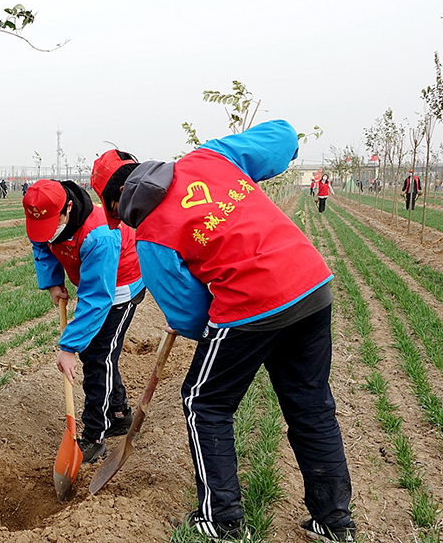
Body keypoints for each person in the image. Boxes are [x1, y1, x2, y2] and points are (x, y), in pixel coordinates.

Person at [100, 120, 355, 542]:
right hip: (311, 283)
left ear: (124, 209)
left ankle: (221, 519)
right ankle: (333, 520)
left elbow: (191, 317)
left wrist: (221, 328)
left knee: (205, 401)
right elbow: (283, 138)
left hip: (251, 304)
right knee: (311, 404)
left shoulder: (151, 237)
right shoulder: (209, 158)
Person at [22, 164, 146, 462]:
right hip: (97, 286)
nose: (46, 233)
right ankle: (118, 412)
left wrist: (68, 347)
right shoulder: (42, 213)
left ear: (67, 208)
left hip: (119, 288)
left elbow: (96, 298)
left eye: (53, 225)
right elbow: (41, 245)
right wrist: (53, 282)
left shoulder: (101, 234)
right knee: (102, 355)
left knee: (97, 357)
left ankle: (94, 436)